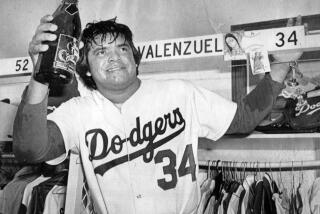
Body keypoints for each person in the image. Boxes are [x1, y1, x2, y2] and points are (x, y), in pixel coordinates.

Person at [13, 14, 302, 214]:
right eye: (100, 52)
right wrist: (40, 74)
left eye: (122, 48)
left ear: (135, 59)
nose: (114, 57)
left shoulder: (179, 92)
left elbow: (244, 118)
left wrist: (280, 68)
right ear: (86, 68)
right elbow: (31, 150)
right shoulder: (78, 111)